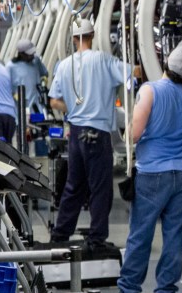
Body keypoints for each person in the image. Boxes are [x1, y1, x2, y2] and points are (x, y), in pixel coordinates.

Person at [115, 39, 182, 293]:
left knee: (141, 232)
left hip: (153, 175)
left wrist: (125, 126)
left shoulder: (150, 91)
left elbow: (134, 134)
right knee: (175, 235)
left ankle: (128, 292)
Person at [48, 18, 132, 248]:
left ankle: (60, 235)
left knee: (74, 186)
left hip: (76, 133)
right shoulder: (104, 61)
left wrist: (74, 108)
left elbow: (54, 101)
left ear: (74, 39)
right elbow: (131, 75)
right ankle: (96, 238)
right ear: (92, 36)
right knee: (100, 188)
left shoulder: (64, 65)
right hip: (98, 133)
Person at [7, 38, 49, 113]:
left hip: (38, 104)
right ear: (21, 54)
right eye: (29, 55)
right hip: (21, 106)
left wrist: (44, 80)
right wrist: (14, 95)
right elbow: (6, 87)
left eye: (33, 53)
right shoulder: (11, 67)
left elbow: (44, 73)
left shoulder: (36, 61)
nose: (32, 56)